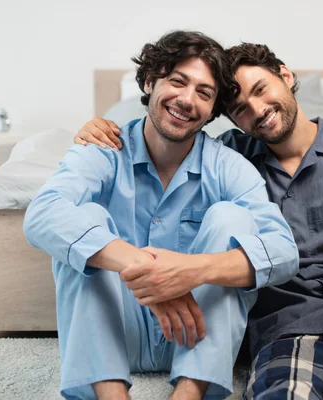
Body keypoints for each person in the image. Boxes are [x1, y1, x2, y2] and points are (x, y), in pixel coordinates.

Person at [75, 42, 323, 400]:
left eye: (261, 89)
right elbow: (168, 144)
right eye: (239, 108)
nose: (257, 110)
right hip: (299, 327)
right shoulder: (230, 158)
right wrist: (105, 129)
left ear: (285, 76)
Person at [24, 32, 299, 400]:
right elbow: (42, 214)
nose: (187, 100)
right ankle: (111, 394)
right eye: (177, 81)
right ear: (150, 81)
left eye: (204, 93)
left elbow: (284, 251)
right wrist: (146, 271)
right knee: (82, 217)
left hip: (195, 333)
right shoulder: (104, 149)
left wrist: (191, 271)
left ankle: (189, 392)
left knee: (231, 218)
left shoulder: (227, 165)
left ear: (213, 109)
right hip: (116, 331)